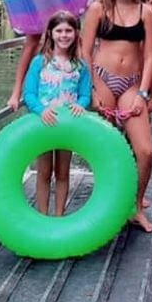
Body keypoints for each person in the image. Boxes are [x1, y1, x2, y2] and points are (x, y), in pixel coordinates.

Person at [81, 0, 152, 232]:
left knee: (146, 151)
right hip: (102, 80)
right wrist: (90, 89)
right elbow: (85, 51)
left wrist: (143, 92)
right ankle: (106, 207)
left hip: (132, 84)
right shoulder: (98, 9)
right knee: (106, 149)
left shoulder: (145, 12)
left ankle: (135, 207)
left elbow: (149, 55)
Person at [22, 11, 92, 216]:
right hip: (45, 123)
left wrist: (81, 105)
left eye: (68, 30)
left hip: (67, 126)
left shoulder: (80, 65)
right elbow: (29, 94)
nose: (64, 35)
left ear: (76, 33)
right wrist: (40, 110)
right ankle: (43, 216)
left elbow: (85, 94)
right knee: (44, 172)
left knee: (62, 172)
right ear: (51, 33)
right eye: (59, 30)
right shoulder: (39, 62)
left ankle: (59, 215)